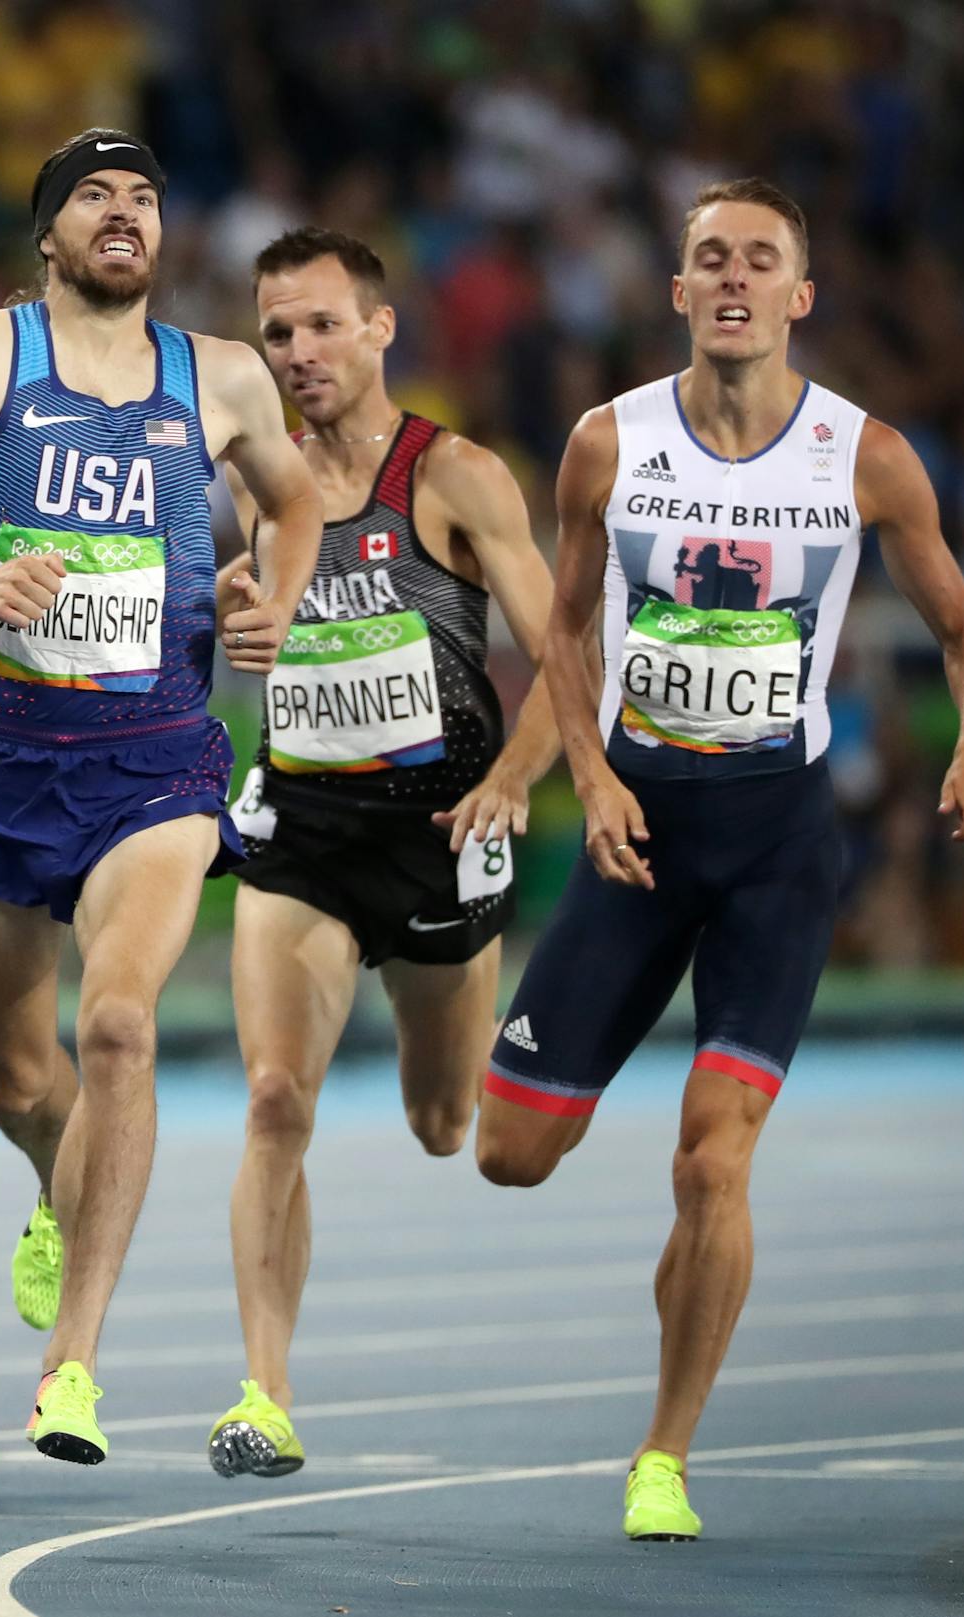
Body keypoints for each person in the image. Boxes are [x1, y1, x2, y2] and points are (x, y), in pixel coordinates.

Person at [473, 178, 964, 1541]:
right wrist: (572, 778)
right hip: (637, 833)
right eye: (709, 257)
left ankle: (665, 1449)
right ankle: (658, 1241)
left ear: (798, 296)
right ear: (677, 290)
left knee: (714, 1164)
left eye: (758, 260)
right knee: (511, 1154)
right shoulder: (607, 444)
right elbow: (572, 632)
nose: (731, 279)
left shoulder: (865, 456)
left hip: (776, 845)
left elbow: (961, 626)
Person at [0, 128, 320, 1465]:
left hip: (154, 761)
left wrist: (265, 590)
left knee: (115, 1025)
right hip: (1, 762)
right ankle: (61, 1192)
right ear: (48, 234)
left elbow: (296, 499)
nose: (125, 213)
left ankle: (73, 1367)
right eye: (95, 196)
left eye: (146, 197)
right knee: (11, 1070)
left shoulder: (218, 376)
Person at [206, 228, 561, 1479]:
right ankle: (265, 1394)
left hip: (437, 838)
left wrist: (514, 780)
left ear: (378, 328)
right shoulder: (254, 483)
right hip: (302, 834)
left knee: (439, 1119)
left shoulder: (457, 478)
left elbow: (565, 661)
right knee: (271, 1100)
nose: (297, 353)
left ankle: (457, 1067)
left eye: (317, 326)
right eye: (276, 333)